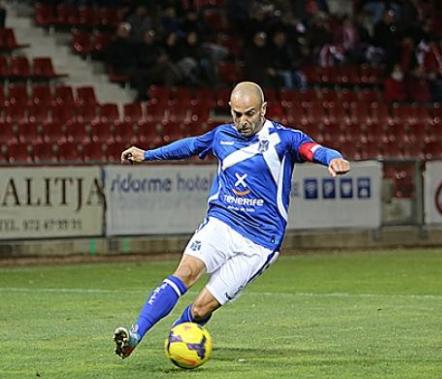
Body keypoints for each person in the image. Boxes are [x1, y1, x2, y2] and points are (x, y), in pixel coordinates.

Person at [113, 81, 351, 359]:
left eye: (249, 113)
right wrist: (147, 155)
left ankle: (178, 342)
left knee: (201, 309)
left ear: (264, 109)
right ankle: (135, 335)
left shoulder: (284, 139)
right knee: (185, 273)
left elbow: (316, 149)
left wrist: (334, 159)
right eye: (237, 114)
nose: (243, 121)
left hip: (259, 243)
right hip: (222, 222)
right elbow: (190, 146)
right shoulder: (221, 136)